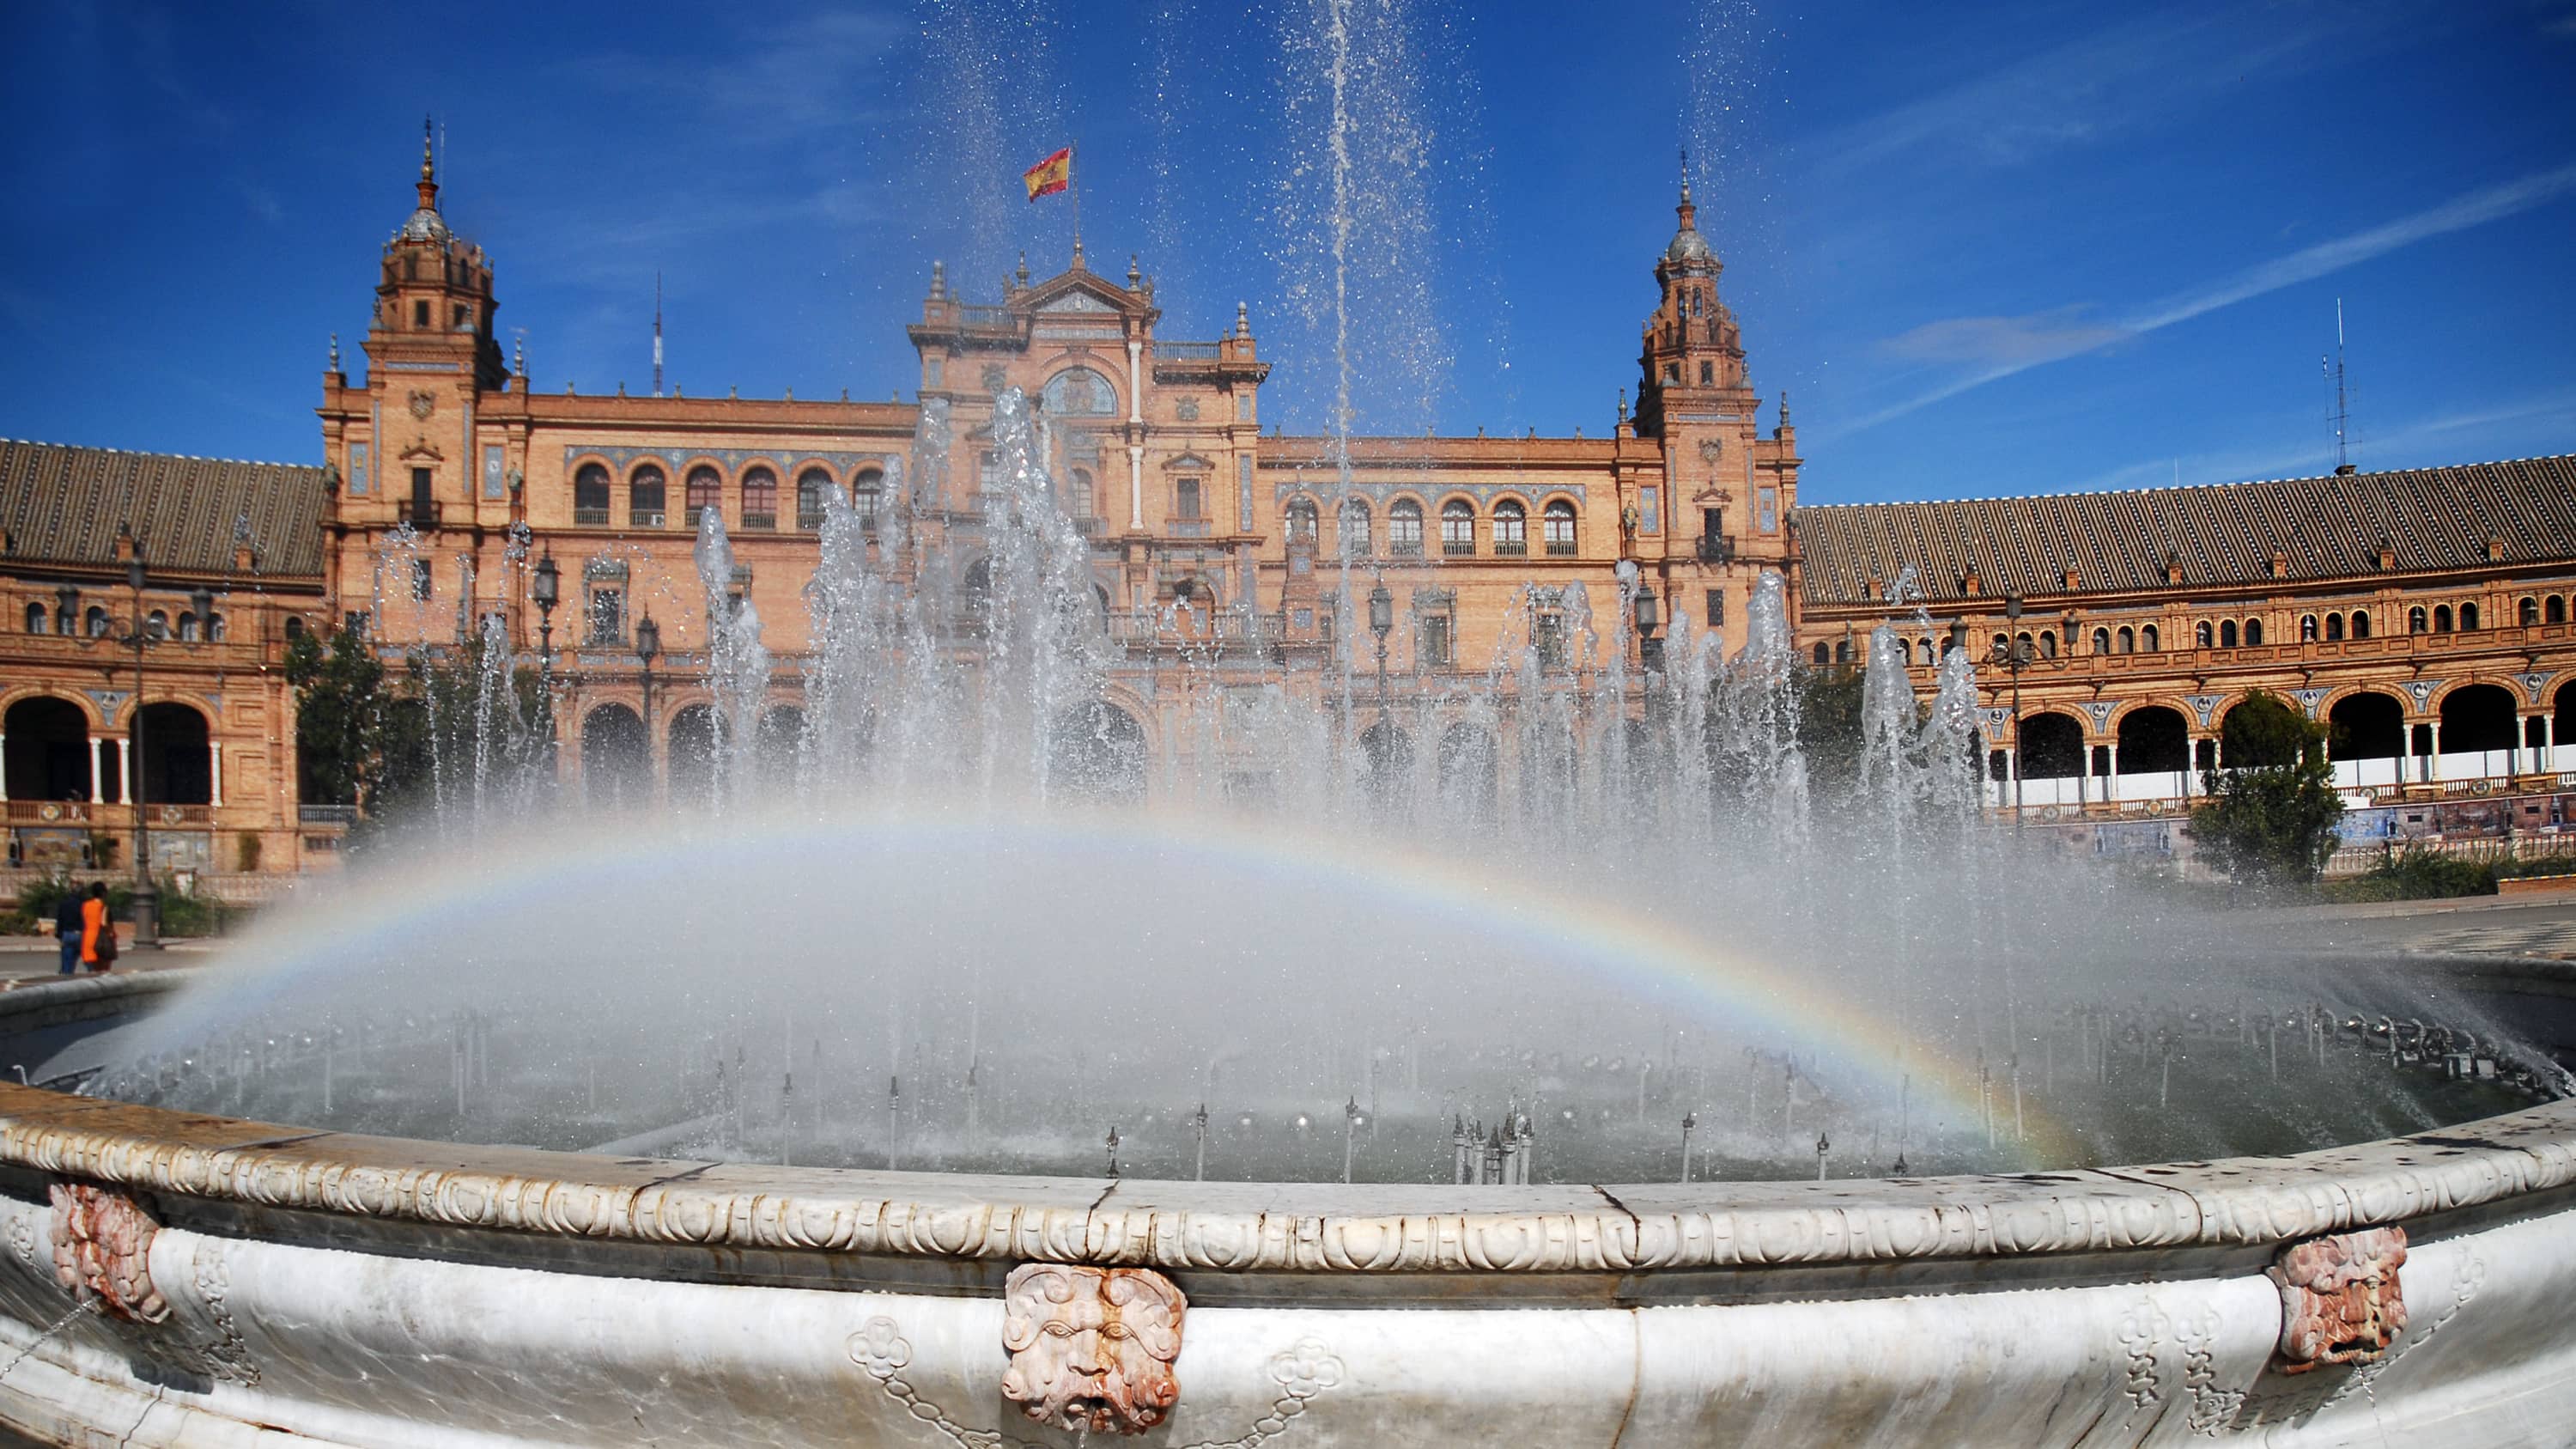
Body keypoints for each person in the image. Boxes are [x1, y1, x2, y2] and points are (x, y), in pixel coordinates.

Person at [80, 882, 113, 973]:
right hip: (100, 941)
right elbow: (104, 923)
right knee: (101, 972)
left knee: (90, 971)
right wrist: (111, 933)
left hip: (87, 939)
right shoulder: (103, 907)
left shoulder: (85, 905)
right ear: (103, 893)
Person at [54, 887, 84, 976]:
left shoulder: (63, 904)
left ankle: (66, 974)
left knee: (66, 958)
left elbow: (60, 920)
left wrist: (59, 936)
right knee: (75, 957)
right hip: (78, 934)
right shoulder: (82, 904)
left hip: (66, 933)